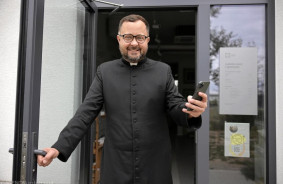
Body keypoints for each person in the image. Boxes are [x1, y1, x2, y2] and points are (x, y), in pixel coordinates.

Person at [37, 14, 208, 184]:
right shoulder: (105, 72)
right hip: (116, 165)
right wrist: (58, 147)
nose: (134, 43)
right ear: (119, 39)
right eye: (128, 37)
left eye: (140, 37)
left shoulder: (163, 71)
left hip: (155, 166)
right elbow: (85, 113)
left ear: (147, 40)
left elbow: (175, 105)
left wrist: (191, 112)